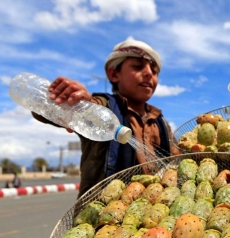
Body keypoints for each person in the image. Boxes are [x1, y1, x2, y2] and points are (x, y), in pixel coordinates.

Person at [32, 39, 181, 198]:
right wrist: (73, 103)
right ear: (114, 74)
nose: (149, 73)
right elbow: (41, 111)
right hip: (103, 217)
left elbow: (178, 159)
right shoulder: (102, 109)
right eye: (138, 67)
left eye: (154, 71)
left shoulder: (161, 123)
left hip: (155, 215)